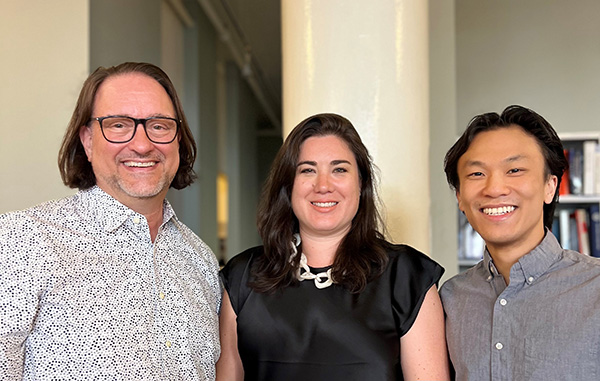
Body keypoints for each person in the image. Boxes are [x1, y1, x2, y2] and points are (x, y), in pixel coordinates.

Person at [0, 62, 221, 380]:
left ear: (178, 140)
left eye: (159, 126)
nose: (143, 145)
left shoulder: (201, 261)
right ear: (88, 141)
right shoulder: (22, 241)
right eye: (118, 125)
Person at [217, 113, 449, 381]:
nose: (323, 186)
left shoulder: (408, 277)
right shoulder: (242, 276)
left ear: (361, 183)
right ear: (288, 185)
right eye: (307, 170)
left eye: (339, 169)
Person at [441, 105, 600, 380]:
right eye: (476, 174)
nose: (494, 188)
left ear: (550, 186)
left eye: (514, 169)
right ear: (459, 197)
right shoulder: (451, 299)